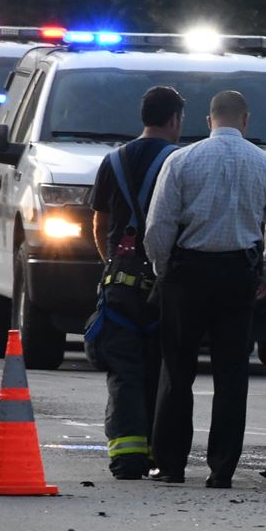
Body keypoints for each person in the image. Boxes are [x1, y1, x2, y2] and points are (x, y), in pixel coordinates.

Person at [144, 90, 266, 488]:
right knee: (231, 375)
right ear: (245, 121)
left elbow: (158, 226)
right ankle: (222, 468)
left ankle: (172, 464)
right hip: (237, 275)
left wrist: (164, 269)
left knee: (177, 371)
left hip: (186, 273)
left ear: (209, 120)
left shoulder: (181, 160)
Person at [88, 85, 184, 480]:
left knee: (124, 369)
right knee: (161, 367)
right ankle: (158, 451)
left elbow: (99, 223)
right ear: (175, 119)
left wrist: (112, 264)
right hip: (165, 284)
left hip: (119, 283)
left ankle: (128, 456)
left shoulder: (112, 161)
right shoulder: (179, 161)